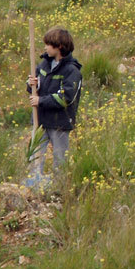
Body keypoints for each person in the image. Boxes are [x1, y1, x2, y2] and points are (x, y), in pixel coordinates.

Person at [27, 26, 82, 186]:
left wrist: (41, 101)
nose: (45, 47)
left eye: (48, 44)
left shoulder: (72, 71)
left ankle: (59, 190)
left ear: (59, 47)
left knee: (60, 160)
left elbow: (66, 98)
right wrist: (31, 84)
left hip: (60, 123)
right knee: (35, 157)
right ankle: (33, 188)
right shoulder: (43, 64)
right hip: (41, 120)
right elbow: (32, 88)